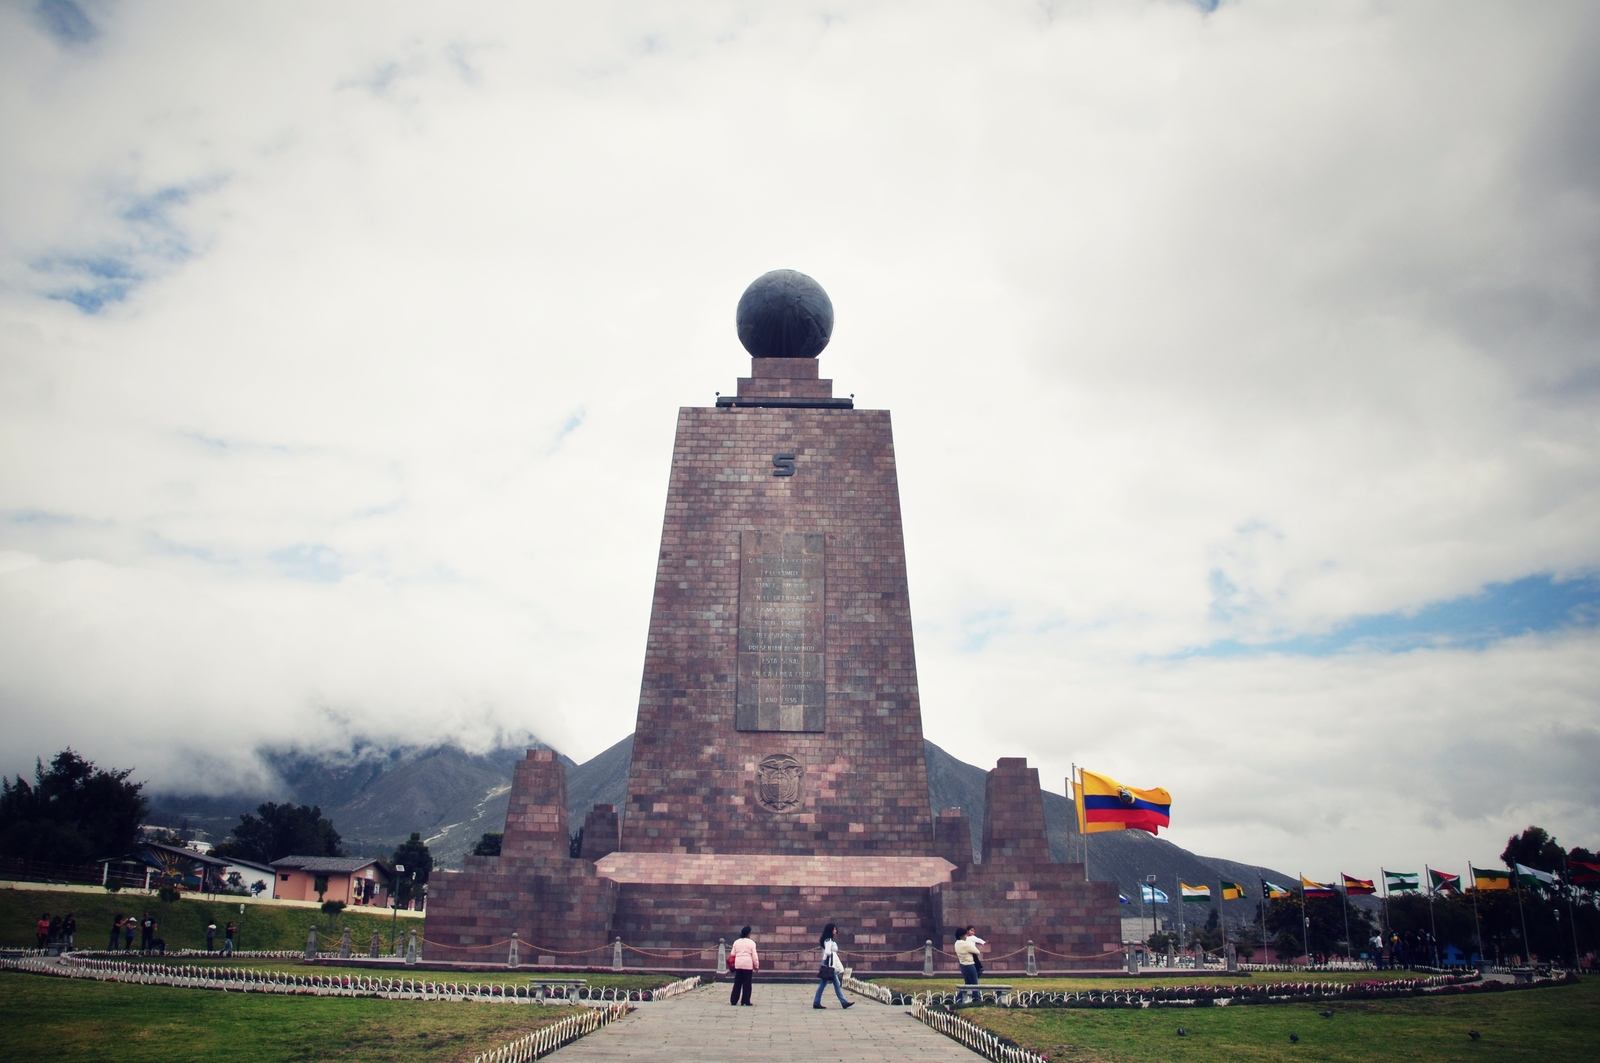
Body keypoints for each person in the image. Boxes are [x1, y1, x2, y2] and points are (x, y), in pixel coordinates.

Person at [811, 923, 853, 1010]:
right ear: (830, 930)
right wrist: (833, 954)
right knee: (832, 984)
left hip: (828, 964)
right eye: (834, 929)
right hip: (829, 965)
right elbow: (827, 952)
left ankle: (817, 1002)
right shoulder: (828, 940)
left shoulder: (828, 940)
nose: (835, 930)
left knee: (828, 984)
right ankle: (843, 1002)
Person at [728, 925, 759, 1006]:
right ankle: (745, 1001)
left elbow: (732, 954)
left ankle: (734, 1000)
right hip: (748, 965)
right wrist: (756, 966)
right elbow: (754, 956)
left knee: (737, 983)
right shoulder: (751, 943)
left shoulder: (736, 942)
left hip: (738, 964)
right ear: (748, 934)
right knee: (747, 984)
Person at [954, 926, 982, 1002]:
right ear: (961, 936)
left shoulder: (956, 943)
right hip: (970, 965)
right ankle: (976, 1000)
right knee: (975, 984)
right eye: (965, 935)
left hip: (963, 966)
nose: (966, 936)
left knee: (967, 984)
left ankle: (958, 999)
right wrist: (970, 943)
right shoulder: (965, 944)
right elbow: (977, 952)